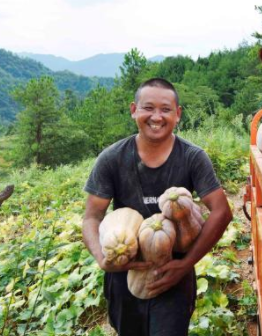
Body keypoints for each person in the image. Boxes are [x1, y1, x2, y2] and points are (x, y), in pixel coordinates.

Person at [81, 78, 233, 336]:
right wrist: (101, 258)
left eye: (165, 109)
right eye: (148, 108)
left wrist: (185, 265)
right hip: (124, 271)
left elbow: (222, 211)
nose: (157, 117)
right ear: (133, 110)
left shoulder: (192, 157)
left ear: (178, 114)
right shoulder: (112, 158)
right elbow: (92, 217)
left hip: (172, 273)